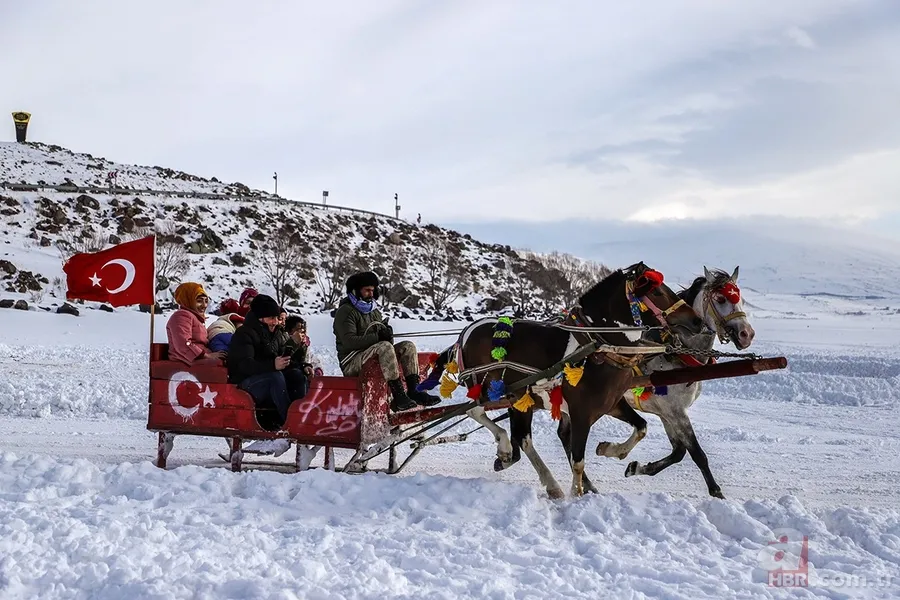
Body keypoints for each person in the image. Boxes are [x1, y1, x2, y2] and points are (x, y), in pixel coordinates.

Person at [333, 271, 440, 412]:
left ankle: (414, 391)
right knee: (384, 346)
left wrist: (387, 334)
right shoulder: (346, 311)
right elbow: (349, 342)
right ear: (356, 290)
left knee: (408, 346)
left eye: (373, 290)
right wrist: (379, 338)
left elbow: (385, 342)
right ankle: (399, 396)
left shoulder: (374, 311)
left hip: (372, 355)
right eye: (367, 290)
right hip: (352, 361)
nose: (371, 294)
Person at [227, 294, 308, 426]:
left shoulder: (273, 334)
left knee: (296, 375)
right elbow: (244, 365)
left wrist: (302, 366)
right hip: (243, 385)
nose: (275, 322)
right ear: (260, 317)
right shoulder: (244, 334)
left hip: (265, 379)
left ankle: (300, 417)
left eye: (276, 318)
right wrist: (272, 365)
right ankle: (289, 424)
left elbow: (279, 359)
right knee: (274, 377)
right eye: (271, 318)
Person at [166, 282, 225, 365]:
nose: (204, 305)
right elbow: (184, 343)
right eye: (199, 301)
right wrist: (206, 356)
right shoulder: (181, 316)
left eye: (206, 301)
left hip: (197, 359)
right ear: (187, 299)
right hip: (185, 361)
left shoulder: (196, 318)